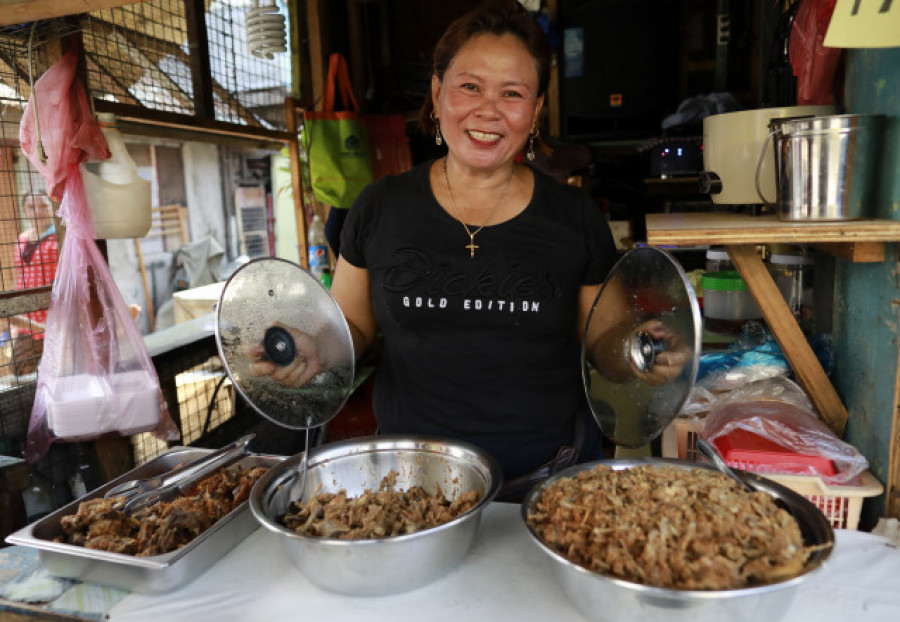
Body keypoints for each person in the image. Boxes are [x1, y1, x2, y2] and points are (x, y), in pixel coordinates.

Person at [252, 0, 688, 499]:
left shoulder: (574, 216)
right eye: (470, 86)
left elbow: (603, 345)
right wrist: (315, 347)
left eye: (512, 93)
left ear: (536, 109)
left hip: (544, 482)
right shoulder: (379, 206)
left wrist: (643, 351)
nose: (488, 110)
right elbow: (350, 328)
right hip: (408, 486)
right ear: (437, 94)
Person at [12, 192, 58, 375]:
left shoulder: (60, 237)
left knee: (57, 371)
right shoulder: (21, 239)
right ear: (24, 211)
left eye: (43, 206)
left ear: (52, 208)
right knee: (20, 370)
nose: (38, 211)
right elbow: (18, 275)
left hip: (54, 315)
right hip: (27, 320)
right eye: (31, 207)